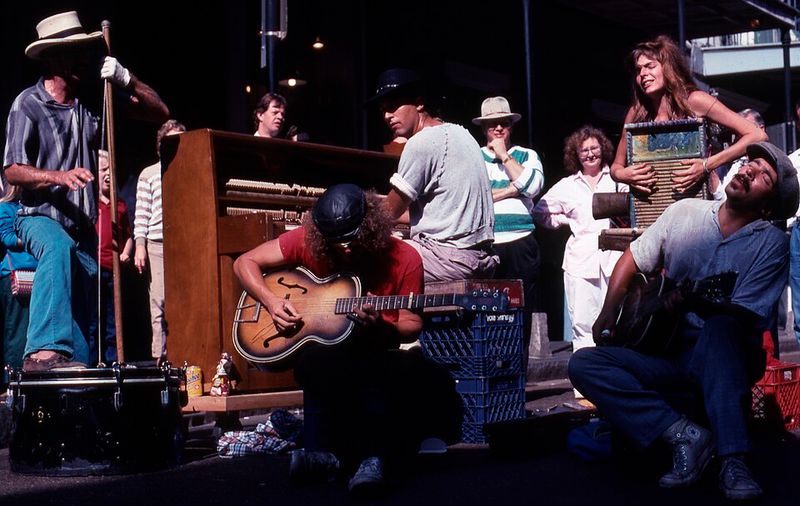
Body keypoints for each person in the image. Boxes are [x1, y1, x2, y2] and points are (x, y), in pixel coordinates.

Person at [569, 141, 798, 501]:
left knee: (721, 330)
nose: (750, 170)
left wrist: (693, 302)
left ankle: (733, 459)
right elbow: (633, 256)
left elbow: (746, 316)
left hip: (726, 357)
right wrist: (609, 312)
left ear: (768, 204)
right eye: (749, 164)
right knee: (585, 363)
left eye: (764, 176)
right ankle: (683, 434)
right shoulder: (685, 212)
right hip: (667, 350)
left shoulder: (771, 243)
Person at [232, 184, 461, 496]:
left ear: (370, 225)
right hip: (328, 356)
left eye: (351, 239)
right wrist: (272, 302)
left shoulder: (405, 258)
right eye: (335, 242)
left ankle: (363, 458)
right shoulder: (310, 241)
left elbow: (411, 323)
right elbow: (244, 262)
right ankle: (329, 453)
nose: (344, 248)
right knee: (312, 364)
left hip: (378, 352)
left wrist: (380, 326)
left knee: (394, 371)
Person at [2, 11, 169, 371]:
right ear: (52, 59)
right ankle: (42, 354)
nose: (82, 59)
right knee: (57, 246)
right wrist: (59, 177)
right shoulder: (26, 104)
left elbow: (159, 112)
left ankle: (68, 372)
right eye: (74, 51)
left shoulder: (92, 106)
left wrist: (127, 79)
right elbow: (12, 169)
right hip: (38, 218)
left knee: (83, 299)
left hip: (82, 229)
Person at [369, 68, 497, 281]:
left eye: (393, 106)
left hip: (449, 261)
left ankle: (392, 316)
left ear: (419, 103)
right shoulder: (462, 132)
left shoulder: (420, 141)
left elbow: (387, 214)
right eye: (383, 110)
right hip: (482, 259)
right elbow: (441, 213)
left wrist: (359, 216)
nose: (387, 116)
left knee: (362, 259)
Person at [534, 126, 628, 399]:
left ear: (603, 149)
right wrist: (567, 221)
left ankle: (616, 384)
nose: (590, 154)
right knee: (583, 324)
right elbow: (541, 212)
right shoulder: (567, 185)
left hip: (615, 260)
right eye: (584, 150)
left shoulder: (618, 178)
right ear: (576, 155)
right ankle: (585, 390)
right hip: (580, 260)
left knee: (617, 324)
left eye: (594, 148)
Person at [611, 35, 767, 196]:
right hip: (650, 212)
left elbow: (757, 135)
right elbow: (616, 167)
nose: (642, 73)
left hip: (694, 208)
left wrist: (707, 164)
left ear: (667, 67)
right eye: (638, 70)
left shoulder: (694, 100)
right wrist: (623, 175)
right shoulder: (636, 112)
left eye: (650, 66)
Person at [472, 96, 544, 357]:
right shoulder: (474, 158)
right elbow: (473, 196)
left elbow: (533, 186)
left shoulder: (527, 155)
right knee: (488, 314)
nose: (499, 129)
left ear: (511, 126)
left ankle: (517, 381)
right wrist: (513, 189)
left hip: (521, 242)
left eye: (504, 123)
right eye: (492, 125)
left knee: (520, 313)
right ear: (484, 129)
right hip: (487, 244)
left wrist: (503, 156)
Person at [134, 119, 186, 362]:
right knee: (159, 300)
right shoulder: (150, 174)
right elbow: (141, 213)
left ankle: (185, 352)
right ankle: (160, 356)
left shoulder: (190, 171)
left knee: (185, 299)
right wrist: (140, 245)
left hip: (185, 243)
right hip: (157, 244)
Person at [90, 150, 133, 366]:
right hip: (94, 269)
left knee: (112, 319)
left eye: (111, 170)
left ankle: (112, 360)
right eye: (103, 170)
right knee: (93, 318)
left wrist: (125, 253)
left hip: (113, 269)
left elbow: (128, 236)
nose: (107, 174)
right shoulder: (90, 204)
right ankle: (91, 360)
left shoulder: (120, 206)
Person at [0, 185, 37, 386]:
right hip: (16, 277)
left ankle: (28, 381)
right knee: (17, 333)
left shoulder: (38, 209)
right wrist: (36, 239)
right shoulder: (6, 208)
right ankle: (13, 382)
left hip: (38, 275)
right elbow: (7, 237)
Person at [713, 109, 767, 200]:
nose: (738, 137)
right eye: (736, 132)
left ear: (761, 129)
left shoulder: (767, 165)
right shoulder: (727, 164)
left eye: (745, 131)